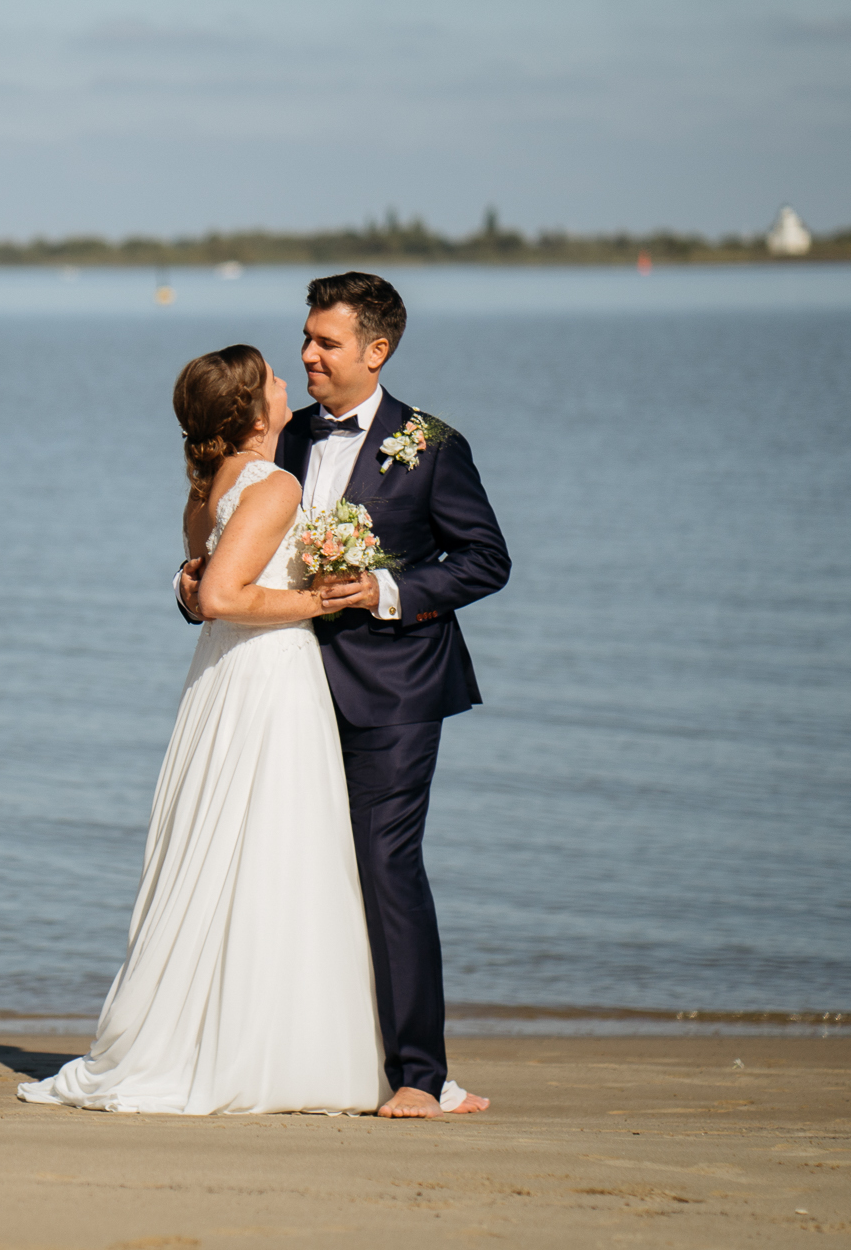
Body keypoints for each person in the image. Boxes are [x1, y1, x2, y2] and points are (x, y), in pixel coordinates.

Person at [18, 345, 386, 1115]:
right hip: (268, 677)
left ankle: (217, 1029)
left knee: (224, 846)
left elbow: (196, 571)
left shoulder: (207, 489)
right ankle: (259, 1047)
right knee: (271, 848)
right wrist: (322, 603)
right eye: (275, 379)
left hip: (221, 682)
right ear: (254, 413)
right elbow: (220, 593)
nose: (290, 380)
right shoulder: (275, 483)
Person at [180, 272, 509, 1118]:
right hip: (284, 687)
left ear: (377, 349)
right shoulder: (279, 438)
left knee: (386, 867)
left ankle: (417, 1075)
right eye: (305, 338)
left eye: (325, 342)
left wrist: (383, 590)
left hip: (395, 688)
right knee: (299, 872)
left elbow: (484, 560)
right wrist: (190, 589)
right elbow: (231, 555)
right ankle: (305, 1052)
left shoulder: (431, 444)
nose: (307, 354)